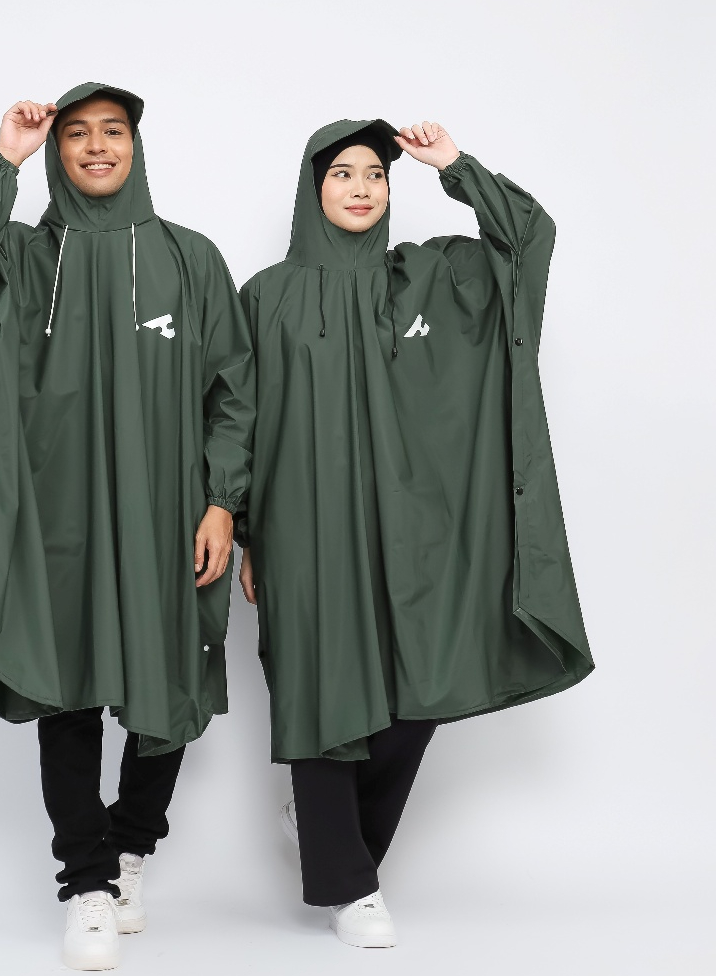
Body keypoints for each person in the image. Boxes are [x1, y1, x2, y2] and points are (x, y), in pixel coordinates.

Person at [235, 118, 594, 948]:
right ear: (312, 189)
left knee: (419, 686)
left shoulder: (431, 279)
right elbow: (239, 417)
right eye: (342, 174)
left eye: (376, 174)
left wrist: (455, 166)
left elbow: (527, 241)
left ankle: (331, 829)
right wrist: (246, 528)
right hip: (303, 527)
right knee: (324, 686)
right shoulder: (265, 295)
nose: (362, 188)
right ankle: (351, 886)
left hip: (413, 527)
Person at [0, 83, 254, 971]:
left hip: (168, 514)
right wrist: (4, 160)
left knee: (167, 685)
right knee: (66, 687)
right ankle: (86, 884)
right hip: (59, 514)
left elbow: (235, 391)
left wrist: (222, 502)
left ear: (137, 147)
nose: (98, 146)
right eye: (77, 134)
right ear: (58, 151)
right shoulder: (24, 258)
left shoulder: (191, 258)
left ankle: (131, 846)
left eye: (114, 131)